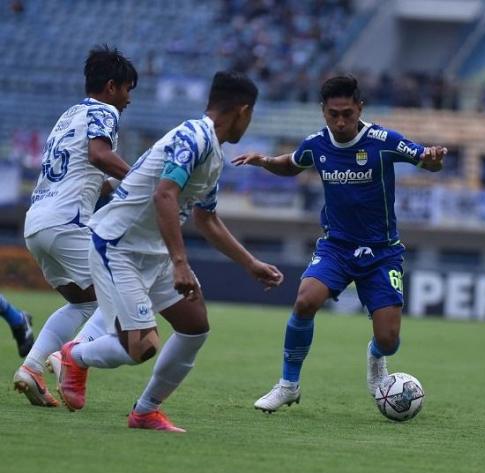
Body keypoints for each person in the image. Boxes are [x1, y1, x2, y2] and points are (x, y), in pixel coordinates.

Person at [56, 71, 283, 432]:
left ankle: (145, 412)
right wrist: (181, 263)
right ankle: (74, 355)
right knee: (142, 347)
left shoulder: (213, 156)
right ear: (243, 111)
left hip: (154, 250)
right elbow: (164, 194)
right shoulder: (192, 137)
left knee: (195, 327)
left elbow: (206, 219)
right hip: (118, 245)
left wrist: (250, 263)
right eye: (250, 115)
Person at [233, 75, 446, 412]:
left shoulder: (383, 140)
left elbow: (426, 159)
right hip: (337, 246)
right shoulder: (317, 144)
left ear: (360, 107)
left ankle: (376, 357)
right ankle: (288, 385)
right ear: (323, 112)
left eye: (347, 113)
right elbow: (292, 164)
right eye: (334, 114)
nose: (341, 121)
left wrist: (434, 159)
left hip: (382, 252)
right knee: (305, 301)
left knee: (389, 340)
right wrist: (266, 161)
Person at [13, 45, 137, 407]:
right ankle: (72, 354)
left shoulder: (69, 116)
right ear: (112, 86)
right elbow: (100, 155)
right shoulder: (104, 111)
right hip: (67, 222)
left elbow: (91, 179)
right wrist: (142, 179)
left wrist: (122, 185)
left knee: (85, 304)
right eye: (128, 88)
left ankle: (32, 368)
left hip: (38, 223)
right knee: (121, 294)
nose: (129, 99)